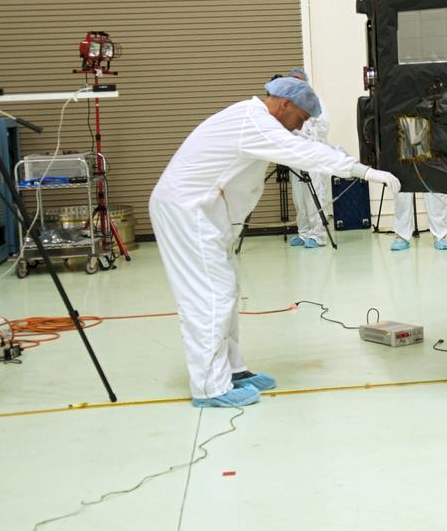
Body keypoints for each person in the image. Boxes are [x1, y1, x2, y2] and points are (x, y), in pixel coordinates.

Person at [149, 77, 401, 408]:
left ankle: (234, 371)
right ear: (285, 104)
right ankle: (210, 387)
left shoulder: (254, 119)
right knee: (210, 296)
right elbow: (301, 152)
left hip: (202, 214)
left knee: (224, 291)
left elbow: (302, 146)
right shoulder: (253, 121)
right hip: (188, 212)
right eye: (300, 118)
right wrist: (360, 171)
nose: (300, 127)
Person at [283, 66, 333, 249]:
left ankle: (318, 235)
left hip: (313, 153)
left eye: (299, 80)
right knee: (299, 196)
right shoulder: (287, 103)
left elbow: (323, 125)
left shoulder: (315, 100)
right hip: (295, 155)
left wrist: (305, 132)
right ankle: (303, 232)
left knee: (315, 194)